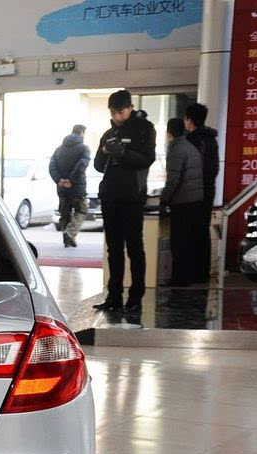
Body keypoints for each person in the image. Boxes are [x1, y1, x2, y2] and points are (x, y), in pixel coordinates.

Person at [93, 90, 157, 311]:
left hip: (132, 196)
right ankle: (114, 296)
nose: (117, 116)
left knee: (134, 247)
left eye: (120, 112)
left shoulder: (144, 129)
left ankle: (135, 297)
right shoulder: (109, 132)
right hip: (110, 196)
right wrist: (105, 150)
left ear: (130, 108)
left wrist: (122, 153)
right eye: (113, 112)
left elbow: (147, 159)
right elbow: (98, 165)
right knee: (113, 249)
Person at [161, 118, 207, 285]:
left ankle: (180, 278)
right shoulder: (190, 147)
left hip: (182, 202)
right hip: (195, 200)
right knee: (189, 241)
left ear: (169, 133)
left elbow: (173, 179)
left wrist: (164, 199)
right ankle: (189, 276)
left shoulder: (176, 149)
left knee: (179, 242)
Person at [185, 102, 220, 277]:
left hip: (193, 192)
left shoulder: (192, 141)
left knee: (190, 232)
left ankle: (192, 272)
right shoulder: (211, 139)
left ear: (189, 120)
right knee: (202, 231)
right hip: (208, 190)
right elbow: (214, 168)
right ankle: (202, 272)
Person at [48, 124, 91, 247]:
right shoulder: (84, 149)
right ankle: (70, 233)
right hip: (77, 187)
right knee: (82, 210)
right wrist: (71, 180)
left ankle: (67, 239)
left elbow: (52, 166)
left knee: (65, 213)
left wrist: (60, 180)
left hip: (62, 188)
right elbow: (82, 165)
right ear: (81, 133)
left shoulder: (59, 149)